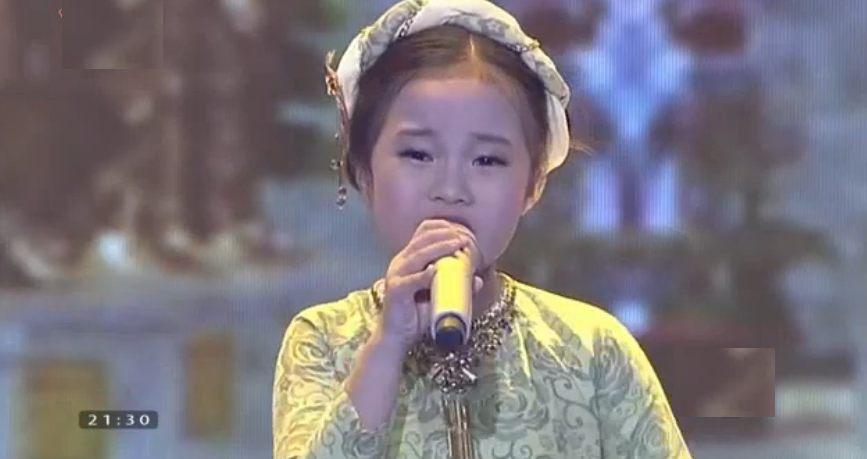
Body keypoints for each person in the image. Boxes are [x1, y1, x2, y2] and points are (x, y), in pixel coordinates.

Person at [273, 1, 693, 458]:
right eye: (418, 154)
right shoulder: (322, 340)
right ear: (364, 170)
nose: (451, 189)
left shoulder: (595, 349)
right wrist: (388, 344)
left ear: (532, 185)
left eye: (487, 160)